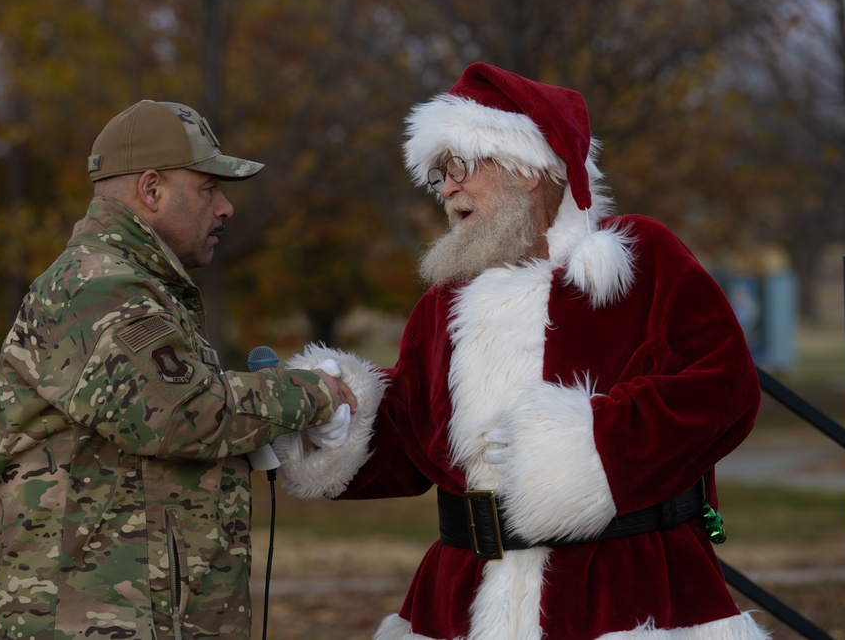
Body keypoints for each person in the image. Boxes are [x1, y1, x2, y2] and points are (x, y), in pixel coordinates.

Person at [271, 63, 769, 639]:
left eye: (458, 166)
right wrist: (339, 415)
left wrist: (585, 453)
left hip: (622, 595)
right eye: (439, 174)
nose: (446, 189)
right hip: (463, 599)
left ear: (527, 170)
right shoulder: (443, 303)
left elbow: (723, 388)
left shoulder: (639, 259)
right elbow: (413, 438)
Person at [0, 99, 355, 640]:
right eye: (208, 188)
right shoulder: (100, 287)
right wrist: (312, 394)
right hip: (96, 620)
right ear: (152, 190)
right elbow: (184, 414)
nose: (225, 207)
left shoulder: (140, 287)